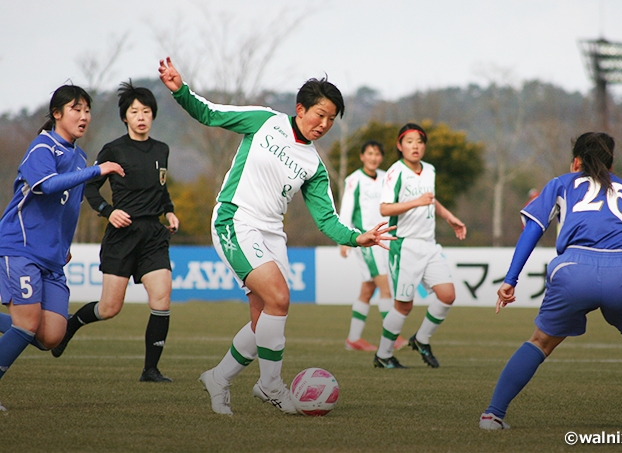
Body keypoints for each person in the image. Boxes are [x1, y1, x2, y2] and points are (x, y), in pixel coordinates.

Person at [158, 56, 395, 415]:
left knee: (263, 321)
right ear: (300, 109)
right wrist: (180, 90)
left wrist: (356, 237)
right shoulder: (265, 121)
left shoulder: (314, 165)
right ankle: (270, 385)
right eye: (320, 114)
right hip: (235, 220)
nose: (324, 124)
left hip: (272, 233)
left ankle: (219, 378)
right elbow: (210, 114)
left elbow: (326, 218)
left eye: (332, 119)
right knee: (279, 298)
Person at [479, 132, 622, 430]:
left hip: (573, 269)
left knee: (540, 342)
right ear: (611, 164)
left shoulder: (561, 184)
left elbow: (533, 230)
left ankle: (493, 415)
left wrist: (510, 279)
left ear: (576, 161)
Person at [0, 85, 124, 410]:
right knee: (26, 325)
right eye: (76, 109)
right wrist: (98, 170)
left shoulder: (79, 157)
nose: (83, 116)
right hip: (21, 248)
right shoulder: (44, 146)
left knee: (50, 336)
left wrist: (64, 246)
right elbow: (46, 186)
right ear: (57, 114)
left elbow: (69, 208)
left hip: (52, 260)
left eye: (87, 110)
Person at [51, 81, 180, 384]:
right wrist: (109, 211)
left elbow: (161, 189)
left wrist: (170, 209)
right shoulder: (114, 149)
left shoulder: (162, 149)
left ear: (153, 115)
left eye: (146, 111)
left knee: (162, 298)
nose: (141, 116)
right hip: (122, 236)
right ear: (125, 116)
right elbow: (88, 186)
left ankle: (150, 370)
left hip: (153, 235)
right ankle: (70, 326)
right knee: (110, 308)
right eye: (134, 111)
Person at [374, 123, 466, 369]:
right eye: (409, 141)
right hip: (405, 246)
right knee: (404, 305)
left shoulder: (430, 170)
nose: (415, 146)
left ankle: (421, 339)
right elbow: (385, 208)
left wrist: (449, 216)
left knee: (447, 295)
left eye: (420, 141)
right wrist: (416, 202)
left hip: (429, 244)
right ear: (399, 145)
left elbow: (431, 200)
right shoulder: (396, 172)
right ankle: (383, 355)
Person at [338, 140, 407, 351]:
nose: (373, 158)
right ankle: (392, 336)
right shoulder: (354, 180)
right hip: (366, 240)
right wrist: (344, 238)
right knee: (385, 286)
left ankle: (353, 339)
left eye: (377, 154)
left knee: (368, 290)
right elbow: (347, 209)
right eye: (369, 153)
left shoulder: (386, 177)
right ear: (362, 156)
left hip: (385, 240)